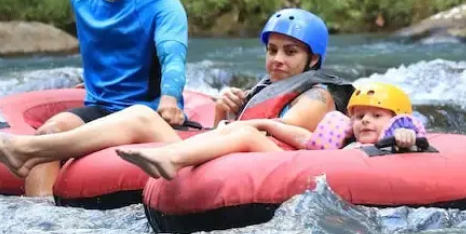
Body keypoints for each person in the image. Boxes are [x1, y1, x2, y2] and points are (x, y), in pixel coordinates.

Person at [0, 8, 351, 186]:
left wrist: (236, 123)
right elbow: (231, 129)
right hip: (233, 155)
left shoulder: (318, 93)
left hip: (270, 166)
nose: (277, 60)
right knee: (140, 114)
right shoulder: (264, 87)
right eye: (273, 50)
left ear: (312, 58)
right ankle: (33, 152)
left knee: (139, 118)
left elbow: (280, 135)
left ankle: (29, 152)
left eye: (290, 52)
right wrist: (223, 110)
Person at [0, 0, 188, 196]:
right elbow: (105, 47)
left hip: (147, 113)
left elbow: (173, 57)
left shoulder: (164, 6)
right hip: (100, 107)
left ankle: (24, 152)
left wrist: (169, 98)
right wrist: (93, 79)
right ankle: (39, 225)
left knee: (53, 141)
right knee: (50, 132)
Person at [115, 82, 425, 181]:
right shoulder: (344, 137)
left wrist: (403, 139)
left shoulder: (398, 137)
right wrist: (259, 123)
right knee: (243, 132)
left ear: (395, 119)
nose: (365, 122)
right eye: (359, 116)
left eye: (376, 115)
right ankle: (171, 155)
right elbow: (305, 140)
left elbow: (408, 137)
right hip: (307, 170)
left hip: (311, 178)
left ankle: (173, 159)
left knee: (247, 139)